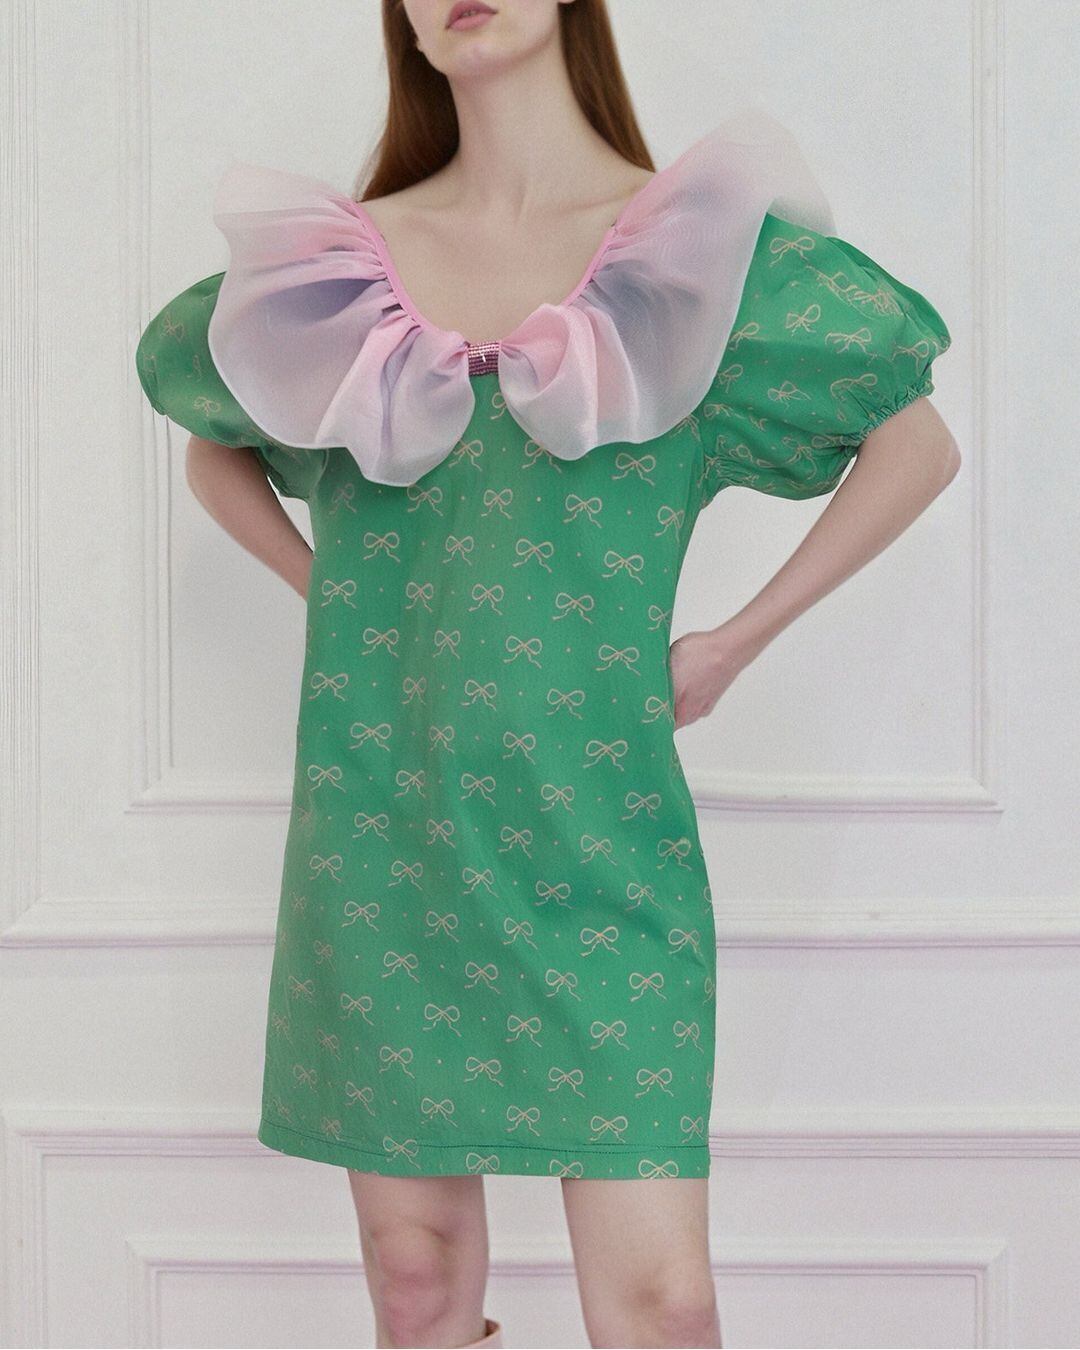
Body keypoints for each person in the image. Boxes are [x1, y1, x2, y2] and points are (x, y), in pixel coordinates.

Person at [134, 2, 960, 1345]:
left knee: (665, 1303)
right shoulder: (330, 269)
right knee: (414, 1278)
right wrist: (329, 588)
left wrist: (732, 642)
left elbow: (914, 443)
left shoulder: (693, 256)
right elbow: (212, 440)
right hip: (384, 833)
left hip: (605, 840)